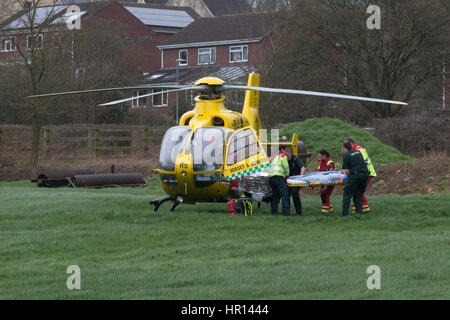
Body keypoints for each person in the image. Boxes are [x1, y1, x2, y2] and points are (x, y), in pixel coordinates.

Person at [344, 138, 376, 214]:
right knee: (357, 190)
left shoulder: (359, 150)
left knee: (358, 191)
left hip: (367, 172)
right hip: (363, 173)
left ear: (351, 143)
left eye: (346, 144)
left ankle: (364, 207)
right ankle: (359, 208)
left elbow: (361, 163)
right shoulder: (355, 150)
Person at [341, 142, 369, 216]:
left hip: (355, 175)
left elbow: (346, 171)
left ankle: (345, 214)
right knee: (358, 195)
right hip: (365, 175)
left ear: (344, 148)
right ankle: (359, 213)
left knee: (347, 194)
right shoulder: (358, 152)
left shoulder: (346, 155)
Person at [268, 145, 290, 216]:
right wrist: (287, 175)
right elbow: (286, 167)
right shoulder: (283, 156)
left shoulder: (273, 157)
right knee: (284, 195)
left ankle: (274, 212)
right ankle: (285, 213)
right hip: (278, 177)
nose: (286, 153)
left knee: (276, 195)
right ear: (282, 149)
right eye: (285, 150)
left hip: (271, 178)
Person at [285, 147, 306, 215]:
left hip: (297, 179)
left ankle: (298, 212)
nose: (287, 158)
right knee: (286, 195)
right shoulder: (283, 159)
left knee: (294, 193)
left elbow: (303, 167)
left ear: (290, 153)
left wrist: (301, 177)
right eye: (285, 156)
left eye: (288, 156)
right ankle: (287, 212)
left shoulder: (295, 158)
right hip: (288, 180)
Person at [316, 149, 335, 214]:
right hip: (323, 182)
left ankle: (324, 211)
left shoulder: (330, 163)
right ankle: (330, 211)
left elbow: (329, 173)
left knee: (325, 195)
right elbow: (318, 171)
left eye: (320, 156)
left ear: (324, 155)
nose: (319, 158)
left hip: (329, 183)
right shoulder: (320, 162)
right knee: (324, 195)